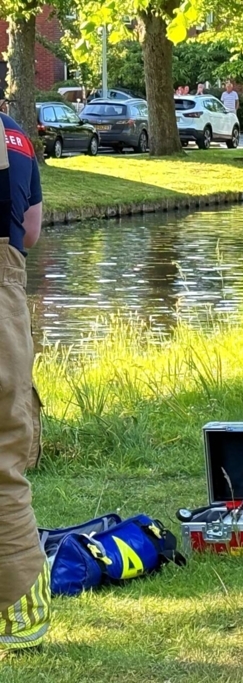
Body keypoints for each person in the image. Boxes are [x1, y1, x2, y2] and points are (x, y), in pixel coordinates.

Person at [0, 112, 49, 654]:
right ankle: (22, 619)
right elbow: (31, 231)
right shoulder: (14, 134)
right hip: (4, 298)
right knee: (5, 463)